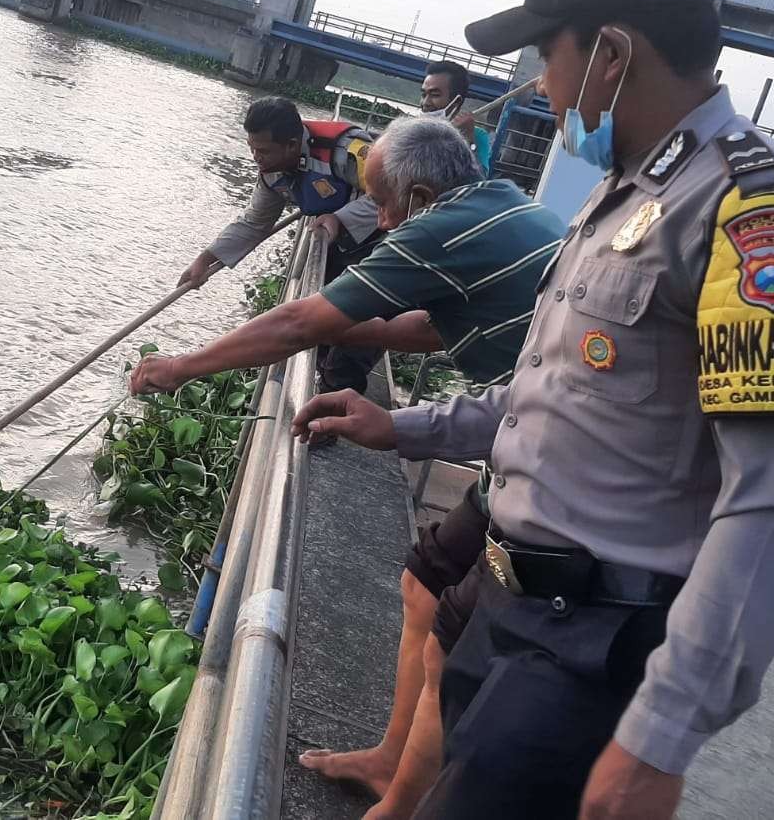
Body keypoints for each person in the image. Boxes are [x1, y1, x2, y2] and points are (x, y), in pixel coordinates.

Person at [291, 0, 774, 817]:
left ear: (608, 55)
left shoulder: (762, 214)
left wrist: (660, 736)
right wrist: (397, 425)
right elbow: (554, 399)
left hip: (595, 647)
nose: (540, 86)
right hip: (511, 608)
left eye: (544, 56)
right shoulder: (619, 197)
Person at [132, 117, 565, 818]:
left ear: (419, 194)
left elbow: (302, 323)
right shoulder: (504, 201)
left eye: (384, 203)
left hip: (552, 458)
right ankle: (391, 760)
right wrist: (330, 322)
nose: (380, 219)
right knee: (425, 581)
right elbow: (428, 328)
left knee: (453, 636)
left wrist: (185, 365)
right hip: (525, 435)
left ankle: (398, 802)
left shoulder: (438, 228)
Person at [179, 96, 386, 394]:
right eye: (251, 148)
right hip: (335, 245)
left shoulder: (346, 151)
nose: (255, 157)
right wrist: (206, 258)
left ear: (291, 144)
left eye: (262, 150)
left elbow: (390, 195)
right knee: (327, 335)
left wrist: (340, 218)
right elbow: (255, 222)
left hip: (378, 246)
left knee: (352, 345)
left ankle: (332, 421)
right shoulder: (272, 169)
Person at [420, 60, 492, 177]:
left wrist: (469, 140)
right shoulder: (411, 130)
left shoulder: (477, 135)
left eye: (435, 95)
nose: (425, 103)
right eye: (424, 94)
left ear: (456, 102)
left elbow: (479, 180)